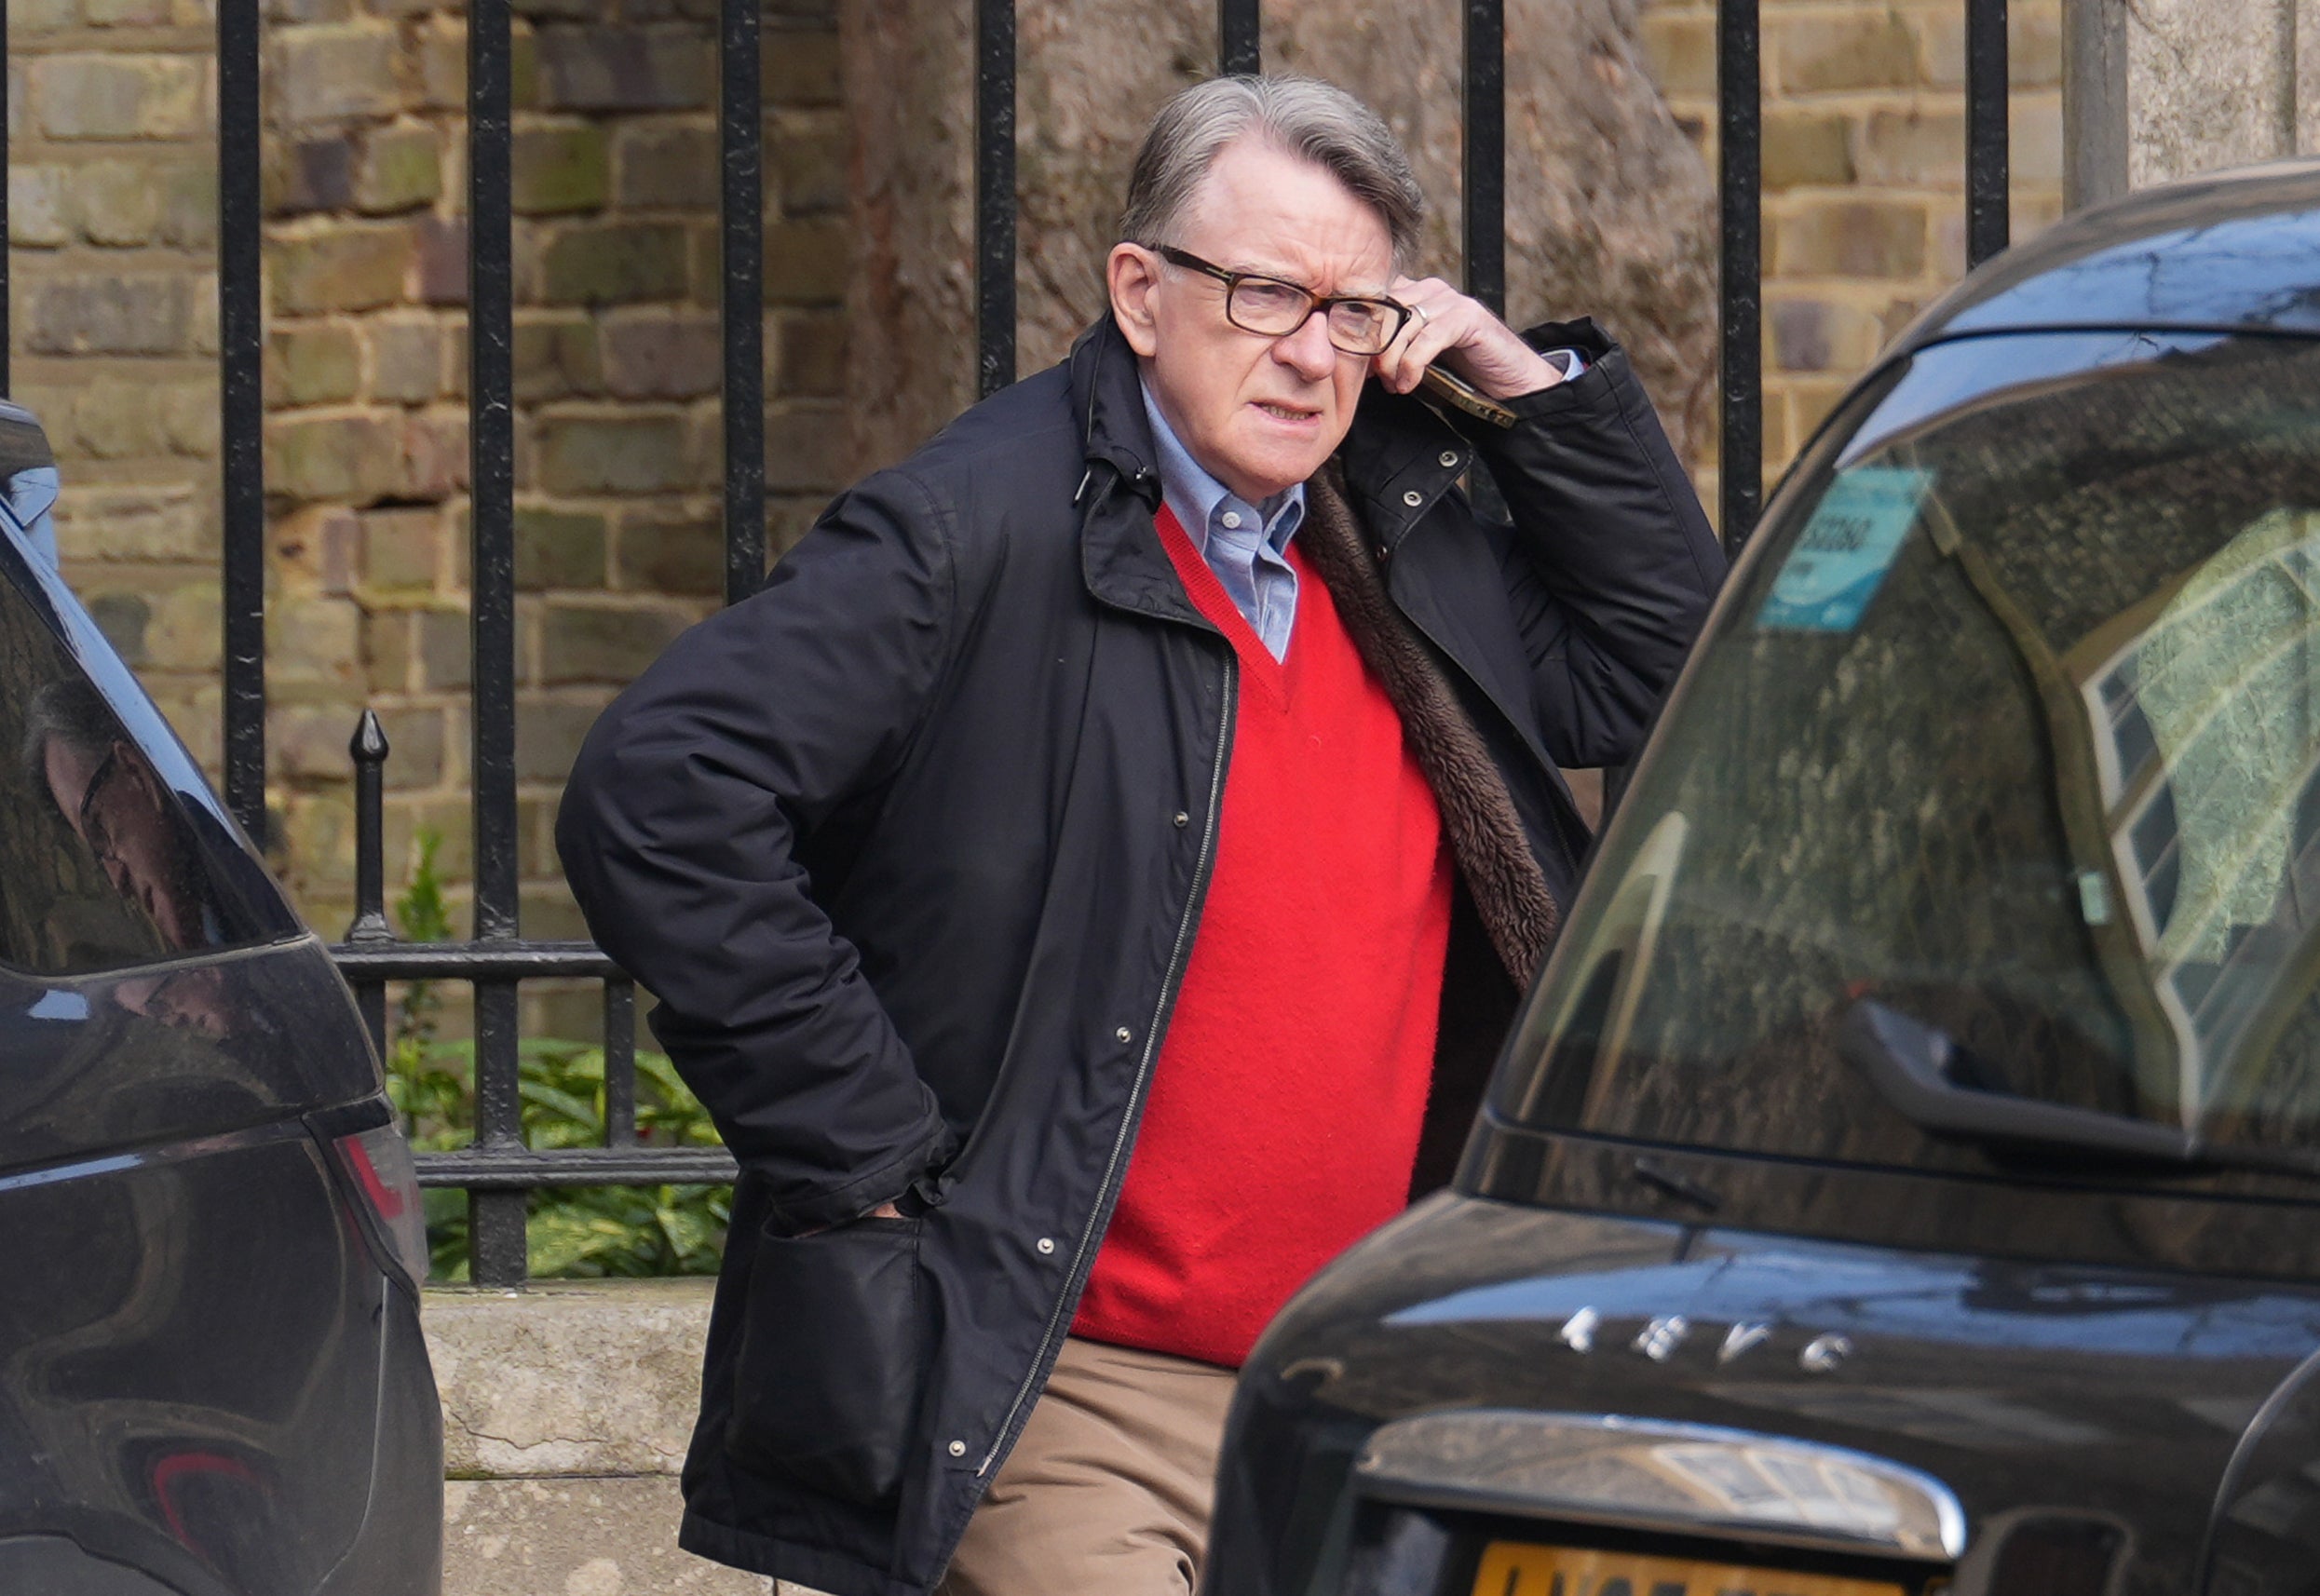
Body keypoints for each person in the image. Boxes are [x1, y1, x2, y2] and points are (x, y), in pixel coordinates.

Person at [556, 73, 1725, 1596]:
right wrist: (871, 1154)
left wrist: (1529, 391)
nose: (1312, 354)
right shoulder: (974, 529)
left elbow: (1669, 661)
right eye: (1263, 294)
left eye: (1355, 311)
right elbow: (658, 789)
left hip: (1350, 1391)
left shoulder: (1401, 543)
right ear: (1140, 291)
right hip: (1057, 1390)